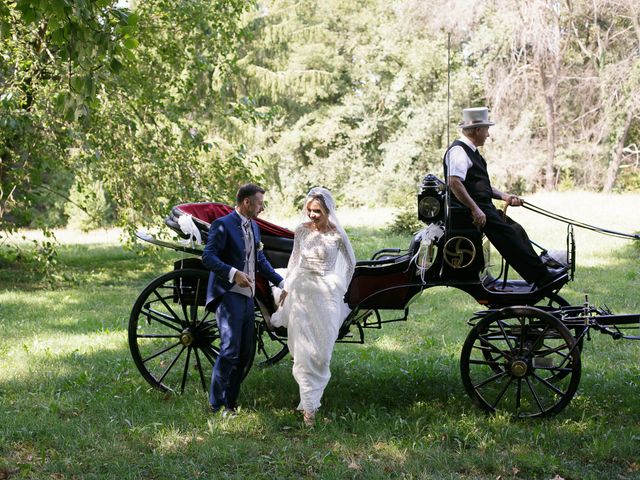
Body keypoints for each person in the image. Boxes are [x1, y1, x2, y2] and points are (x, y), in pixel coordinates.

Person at [443, 107, 564, 288]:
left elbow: (479, 186)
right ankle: (541, 277)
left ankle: (541, 271)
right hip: (472, 212)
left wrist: (505, 196)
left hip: (483, 208)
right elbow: (454, 183)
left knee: (516, 229)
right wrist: (475, 209)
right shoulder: (459, 152)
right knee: (508, 236)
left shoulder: (471, 152)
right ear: (477, 130)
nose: (488, 135)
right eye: (486, 130)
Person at [270, 187, 356, 427]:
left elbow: (351, 263)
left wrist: (343, 289)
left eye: (317, 211)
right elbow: (294, 260)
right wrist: (286, 288)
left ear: (327, 210)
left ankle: (311, 400)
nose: (312, 215)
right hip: (302, 292)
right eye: (309, 210)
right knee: (303, 352)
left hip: (327, 293)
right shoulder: (302, 231)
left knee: (322, 353)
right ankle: (309, 409)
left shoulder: (337, 234)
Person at [202, 183, 284, 417]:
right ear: (247, 202)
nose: (262, 208)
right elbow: (207, 257)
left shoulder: (254, 227)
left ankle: (230, 403)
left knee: (246, 353)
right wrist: (233, 273)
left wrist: (281, 283)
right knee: (229, 350)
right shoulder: (223, 225)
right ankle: (216, 405)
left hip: (248, 299)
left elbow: (260, 260)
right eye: (259, 203)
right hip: (228, 296)